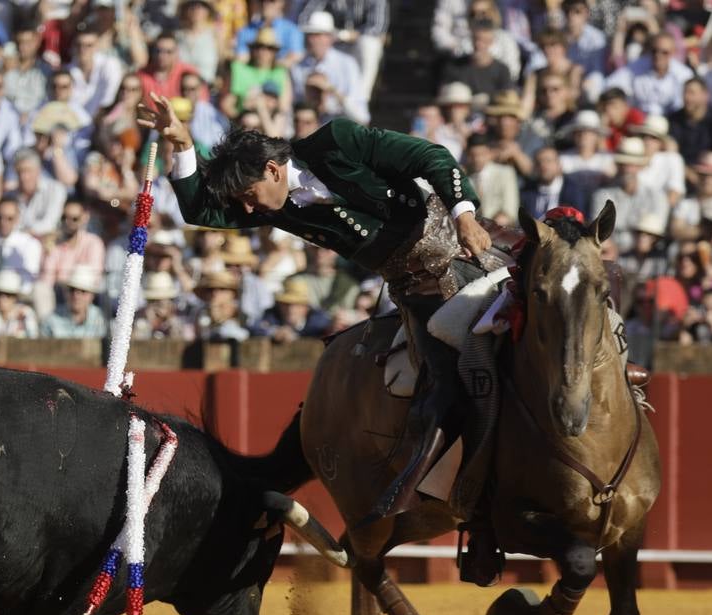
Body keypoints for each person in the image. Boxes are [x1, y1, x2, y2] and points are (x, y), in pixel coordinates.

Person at [138, 89, 498, 543]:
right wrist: (182, 144)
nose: (247, 208)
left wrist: (465, 215)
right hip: (416, 290)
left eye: (249, 195)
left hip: (465, 247)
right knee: (445, 381)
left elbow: (430, 155)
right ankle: (474, 510)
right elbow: (201, 209)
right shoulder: (272, 201)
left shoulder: (338, 143)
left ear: (272, 169)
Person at [40, 265, 108, 338]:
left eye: (83, 291)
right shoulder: (51, 320)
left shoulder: (99, 319)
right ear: (66, 292)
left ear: (92, 296)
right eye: (72, 289)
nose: (76, 295)